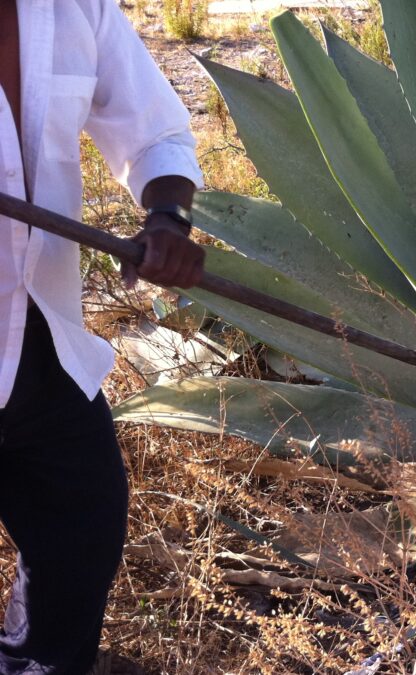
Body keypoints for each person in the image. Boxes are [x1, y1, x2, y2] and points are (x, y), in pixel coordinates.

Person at [0, 0, 205, 671]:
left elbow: (153, 134)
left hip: (42, 339)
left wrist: (168, 220)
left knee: (81, 530)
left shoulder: (76, 9)